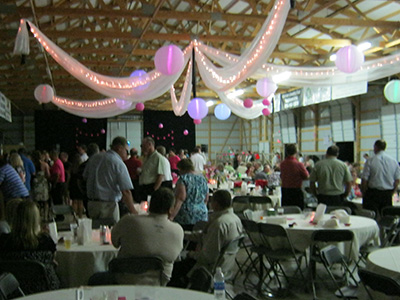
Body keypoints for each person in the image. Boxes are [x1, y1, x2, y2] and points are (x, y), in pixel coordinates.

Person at [91, 188, 184, 286]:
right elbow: (175, 256)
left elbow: (114, 242)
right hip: (159, 282)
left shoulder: (128, 221)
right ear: (171, 209)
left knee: (94, 279)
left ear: (150, 205)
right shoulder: (177, 230)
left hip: (123, 279)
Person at [168, 190, 243, 288]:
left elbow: (207, 257)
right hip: (226, 265)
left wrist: (189, 254)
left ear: (215, 204)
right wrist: (182, 233)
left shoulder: (219, 224)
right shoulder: (235, 219)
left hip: (209, 269)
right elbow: (205, 235)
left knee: (173, 268)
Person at [0, 200, 60, 292]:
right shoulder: (45, 241)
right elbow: (54, 259)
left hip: (12, 290)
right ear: (36, 220)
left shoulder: (4, 242)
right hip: (43, 289)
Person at [84, 137, 137, 223]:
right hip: (108, 205)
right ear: (119, 148)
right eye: (126, 151)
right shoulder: (118, 162)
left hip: (92, 204)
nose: (127, 154)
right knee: (110, 233)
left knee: (95, 232)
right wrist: (134, 211)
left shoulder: (94, 158)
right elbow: (126, 191)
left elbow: (85, 177)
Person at [361, 140, 400, 215]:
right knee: (386, 215)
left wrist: (364, 192)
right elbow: (397, 180)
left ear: (375, 147)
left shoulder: (370, 160)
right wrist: (392, 192)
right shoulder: (394, 161)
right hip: (387, 193)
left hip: (373, 193)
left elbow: (364, 179)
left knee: (371, 215)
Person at [169, 159, 208, 230]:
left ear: (182, 169)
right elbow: (206, 199)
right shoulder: (202, 179)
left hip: (186, 216)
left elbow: (181, 198)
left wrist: (172, 216)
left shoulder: (183, 179)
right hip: (202, 215)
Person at [280, 144, 309, 208]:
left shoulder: (282, 164)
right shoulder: (298, 164)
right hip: (295, 191)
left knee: (286, 209)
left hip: (285, 191)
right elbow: (306, 176)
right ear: (296, 152)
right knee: (297, 210)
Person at [139, 137, 166, 201]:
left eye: (143, 146)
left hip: (151, 187)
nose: (142, 148)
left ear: (149, 145)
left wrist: (154, 191)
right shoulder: (146, 158)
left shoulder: (158, 158)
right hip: (143, 187)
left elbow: (160, 176)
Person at [31, 150, 51, 221]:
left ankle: (37, 216)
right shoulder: (45, 164)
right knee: (45, 201)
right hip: (43, 185)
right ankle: (45, 217)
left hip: (35, 184)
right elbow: (48, 175)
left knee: (36, 202)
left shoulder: (33, 164)